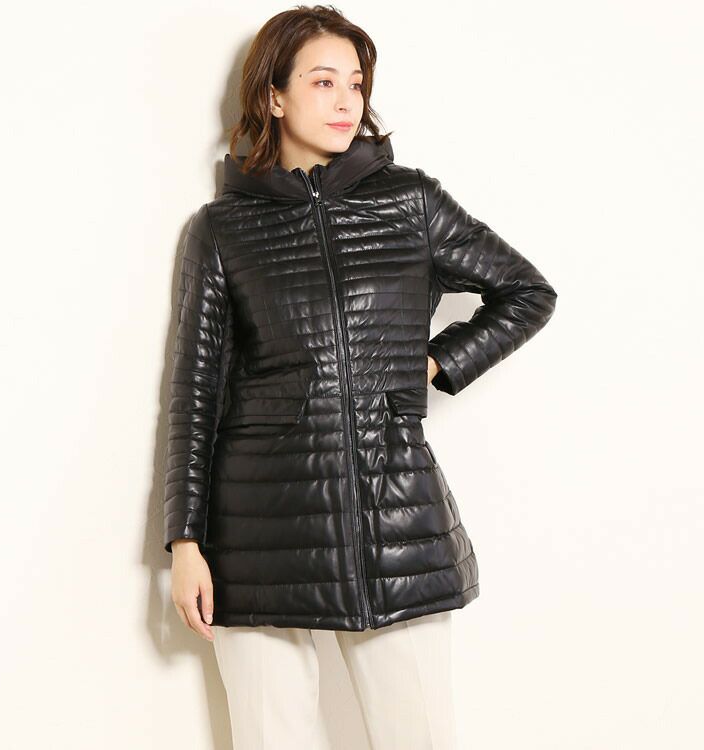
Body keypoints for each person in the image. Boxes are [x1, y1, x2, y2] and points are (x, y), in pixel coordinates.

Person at [163, 5, 557, 749]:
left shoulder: (411, 202)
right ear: (274, 96)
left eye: (356, 83)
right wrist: (185, 542)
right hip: (256, 530)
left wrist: (432, 361)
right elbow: (195, 391)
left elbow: (526, 291)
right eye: (323, 82)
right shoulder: (222, 228)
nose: (346, 101)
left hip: (393, 518)